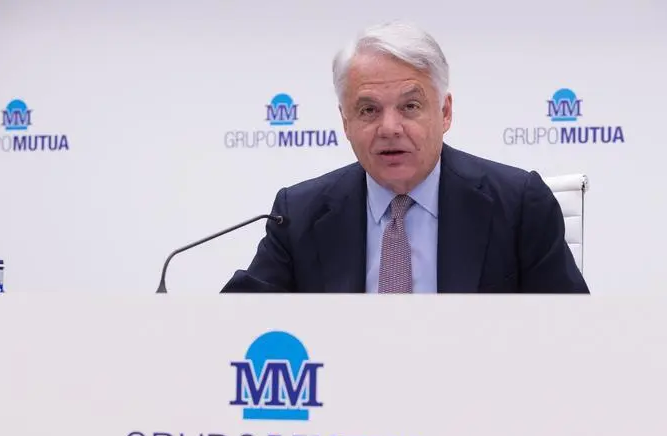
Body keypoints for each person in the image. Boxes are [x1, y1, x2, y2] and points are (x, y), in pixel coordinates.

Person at [222, 21, 589, 294]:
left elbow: (572, 331)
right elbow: (240, 323)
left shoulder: (519, 205)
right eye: (368, 110)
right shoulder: (299, 214)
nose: (390, 128)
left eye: (410, 106)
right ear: (345, 122)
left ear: (445, 113)